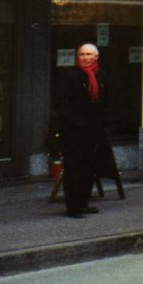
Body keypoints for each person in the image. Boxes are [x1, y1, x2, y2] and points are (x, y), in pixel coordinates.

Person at [55, 43, 109, 218]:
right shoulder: (69, 76)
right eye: (82, 54)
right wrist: (75, 123)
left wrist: (102, 124)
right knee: (74, 169)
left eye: (89, 55)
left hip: (93, 130)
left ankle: (84, 202)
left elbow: (105, 101)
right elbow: (63, 104)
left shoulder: (100, 75)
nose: (85, 58)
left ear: (96, 57)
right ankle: (73, 207)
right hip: (74, 131)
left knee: (89, 168)